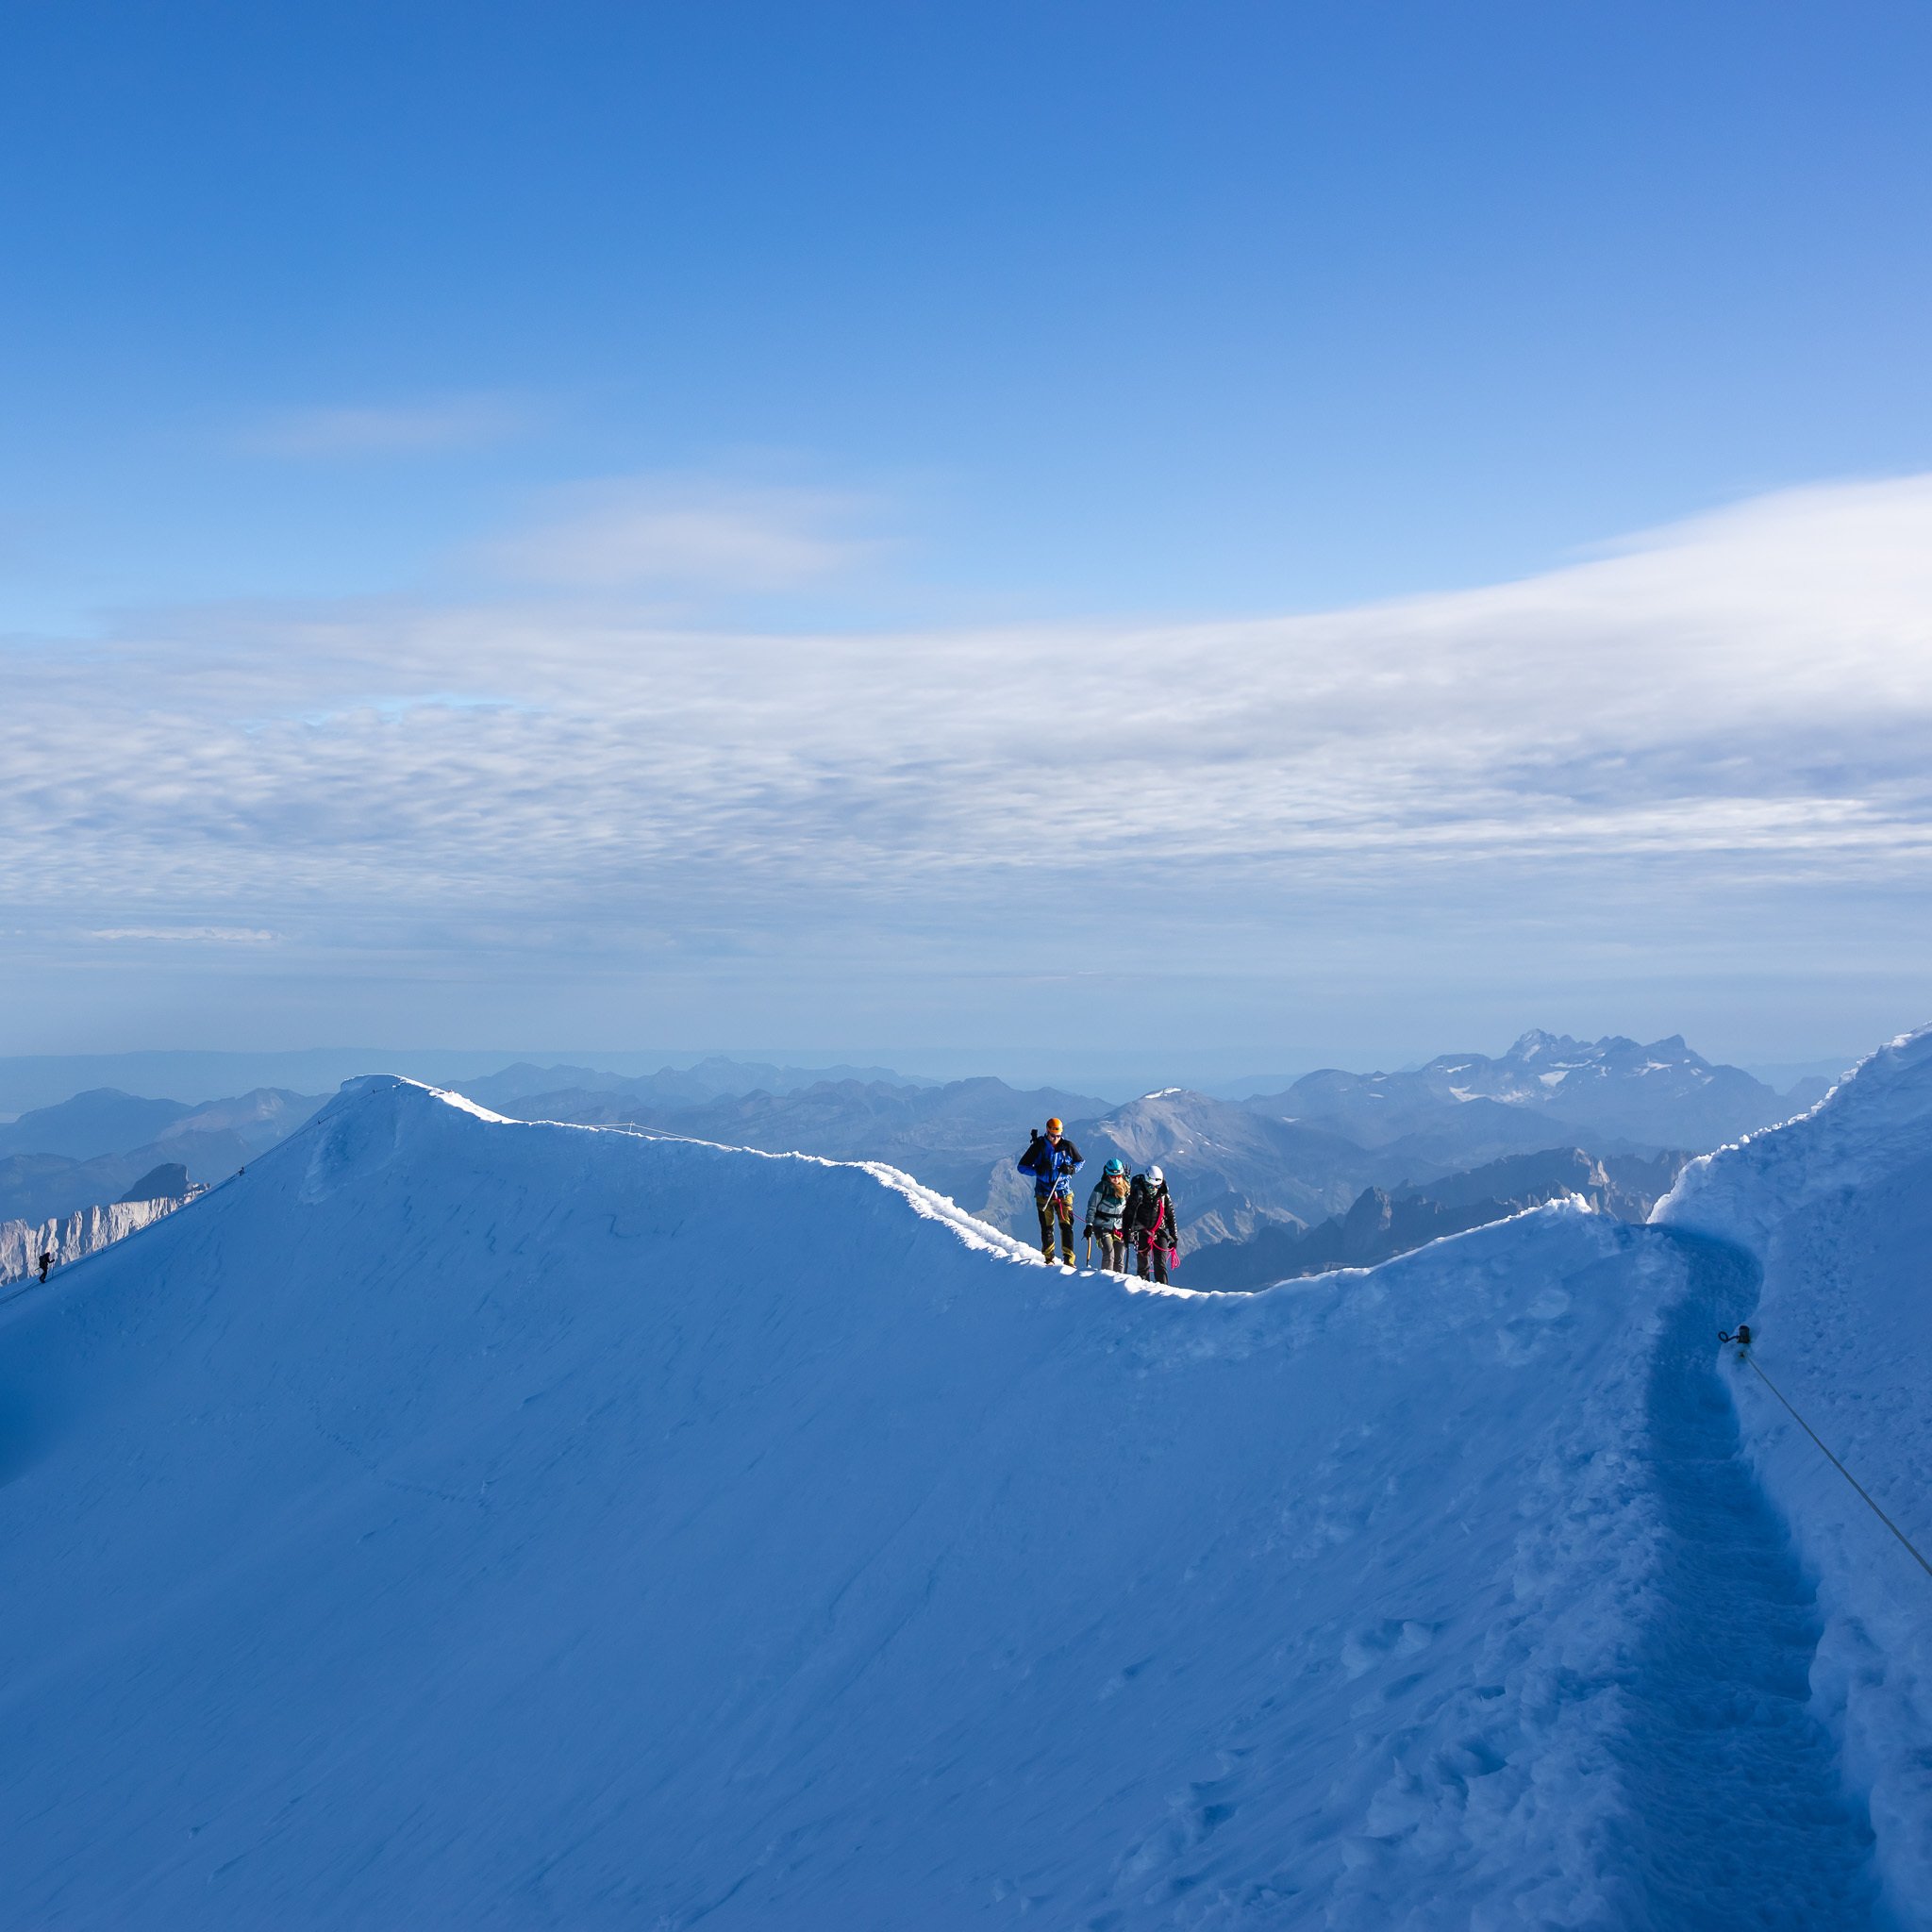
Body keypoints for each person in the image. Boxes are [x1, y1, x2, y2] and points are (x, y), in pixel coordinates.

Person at [1018, 1117, 1084, 1266]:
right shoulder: (1038, 1147)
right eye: (1052, 1136)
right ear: (1047, 1132)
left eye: (1058, 1136)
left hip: (1063, 1193)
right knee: (1047, 1228)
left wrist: (1071, 1169)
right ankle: (1049, 1258)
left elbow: (1080, 1162)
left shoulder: (1068, 1146)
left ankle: (1069, 1260)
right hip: (1043, 1193)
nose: (1055, 1139)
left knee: (1066, 1226)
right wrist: (1037, 1171)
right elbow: (1022, 1167)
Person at [1124, 1164, 1180, 1285]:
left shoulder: (1164, 1196)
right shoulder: (1138, 1195)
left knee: (1160, 1264)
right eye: (1151, 1186)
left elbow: (1171, 1216)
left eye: (1157, 1186)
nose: (1154, 1189)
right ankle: (1143, 1290)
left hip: (1160, 1231)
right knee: (1143, 1265)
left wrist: (1174, 1237)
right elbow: (1129, 1213)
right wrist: (1127, 1232)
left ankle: (1163, 1290)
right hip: (1142, 1232)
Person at [1083, 1157, 1132, 1272]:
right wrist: (1089, 1224)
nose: (1115, 1179)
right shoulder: (1101, 1187)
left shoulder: (1126, 1188)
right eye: (1112, 1176)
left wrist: (1130, 1227)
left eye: (1118, 1176)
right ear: (1107, 1174)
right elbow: (1092, 1206)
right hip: (1101, 1225)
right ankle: (1106, 1281)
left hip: (1119, 1226)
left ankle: (1117, 1285)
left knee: (1119, 1257)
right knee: (1109, 1254)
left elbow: (1130, 1209)